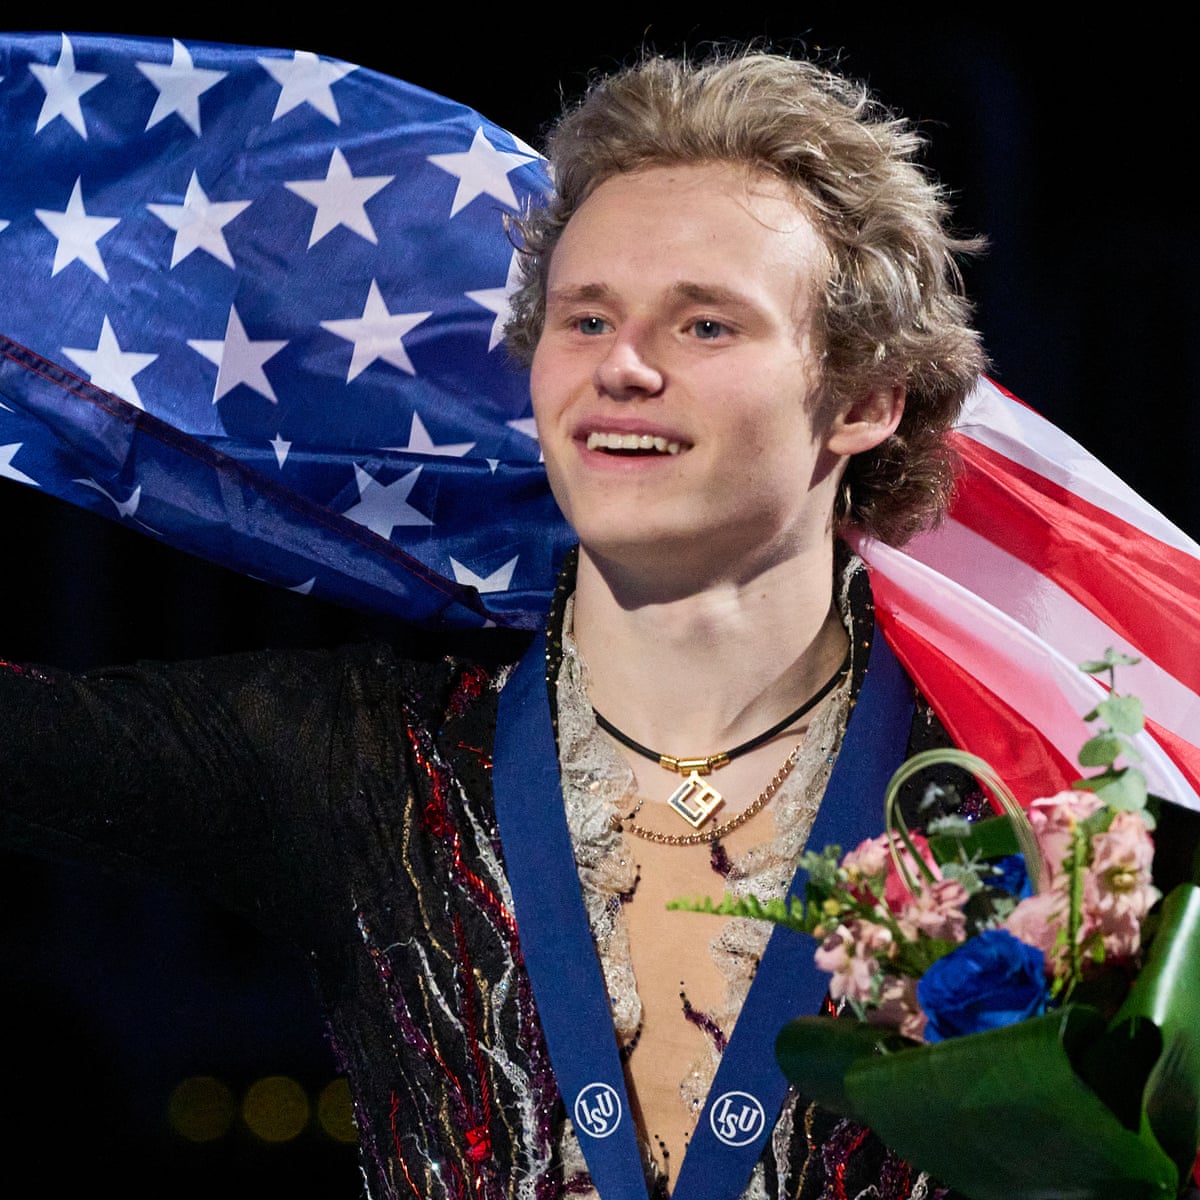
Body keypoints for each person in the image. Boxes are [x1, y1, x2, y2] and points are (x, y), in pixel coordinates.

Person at [0, 47, 1018, 1200]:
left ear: (868, 397)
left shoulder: (1037, 806)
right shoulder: (368, 768)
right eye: (584, 319)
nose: (621, 367)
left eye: (704, 327)